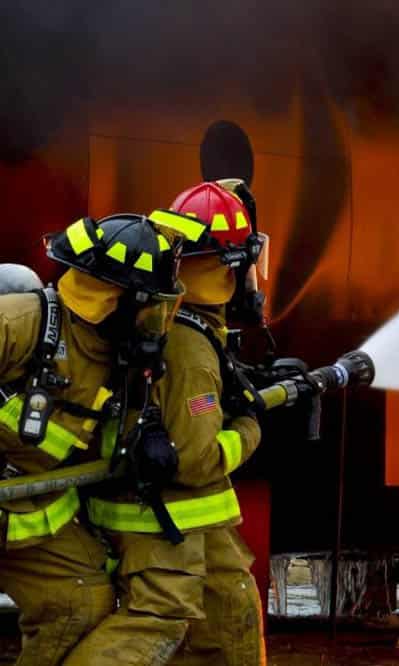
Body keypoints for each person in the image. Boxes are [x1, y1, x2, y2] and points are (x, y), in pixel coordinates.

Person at [68, 181, 267, 666]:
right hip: (168, 518)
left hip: (185, 519)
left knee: (230, 611)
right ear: (231, 267)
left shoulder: (167, 321)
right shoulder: (191, 346)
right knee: (156, 623)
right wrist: (249, 427)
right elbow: (198, 459)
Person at [0, 213, 191, 665]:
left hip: (29, 515)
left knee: (78, 605)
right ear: (118, 299)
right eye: (153, 306)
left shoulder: (119, 355)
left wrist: (148, 441)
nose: (158, 321)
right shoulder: (20, 322)